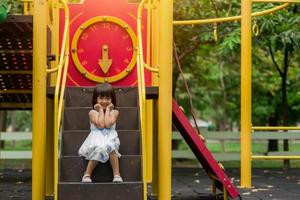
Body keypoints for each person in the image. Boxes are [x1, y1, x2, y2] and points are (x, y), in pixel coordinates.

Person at [78, 83, 123, 183]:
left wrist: (107, 110)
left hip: (110, 137)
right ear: (95, 99)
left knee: (111, 147)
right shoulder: (92, 113)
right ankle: (87, 174)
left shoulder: (114, 112)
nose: (104, 101)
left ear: (112, 100)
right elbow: (101, 125)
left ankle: (116, 174)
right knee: (99, 149)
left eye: (108, 98)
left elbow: (108, 124)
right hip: (96, 138)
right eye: (101, 98)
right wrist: (99, 110)